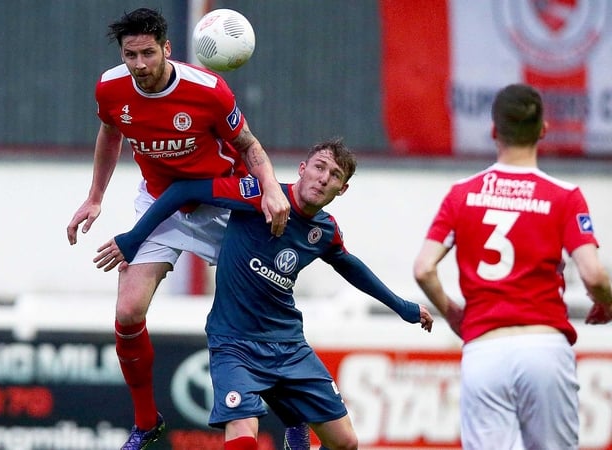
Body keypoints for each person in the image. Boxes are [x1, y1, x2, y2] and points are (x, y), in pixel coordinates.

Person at [96, 138, 434, 450]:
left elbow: (350, 266)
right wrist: (135, 238)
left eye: (334, 175)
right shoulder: (255, 195)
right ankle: (291, 420)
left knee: (346, 443)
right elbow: (184, 190)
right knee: (244, 438)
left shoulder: (324, 231)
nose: (323, 178)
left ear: (342, 189)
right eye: (319, 167)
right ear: (303, 168)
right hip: (235, 344)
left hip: (289, 345)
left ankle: (293, 423)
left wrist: (402, 307)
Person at [65, 7, 291, 449]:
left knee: (264, 313)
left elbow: (248, 145)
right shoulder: (111, 88)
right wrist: (95, 197)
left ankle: (296, 412)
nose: (139, 65)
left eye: (148, 53)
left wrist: (269, 187)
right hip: (159, 206)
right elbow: (110, 134)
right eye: (130, 54)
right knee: (128, 311)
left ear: (167, 48)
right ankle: (147, 422)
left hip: (219, 204)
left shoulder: (209, 91)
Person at [413, 83, 612, 450]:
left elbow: (424, 268)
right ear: (543, 130)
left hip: (485, 349)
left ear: (494, 131)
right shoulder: (564, 196)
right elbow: (593, 275)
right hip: (544, 347)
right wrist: (608, 301)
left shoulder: (462, 193)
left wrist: (453, 313)